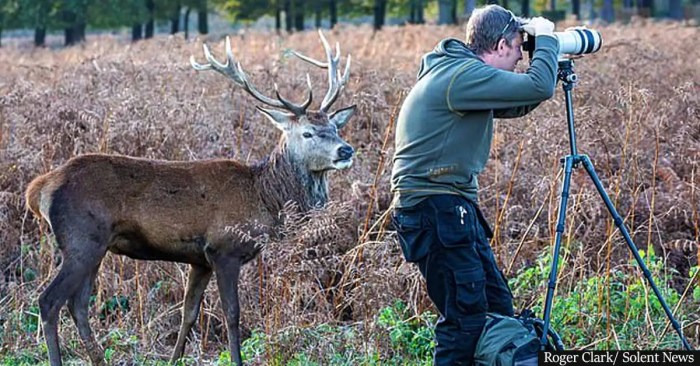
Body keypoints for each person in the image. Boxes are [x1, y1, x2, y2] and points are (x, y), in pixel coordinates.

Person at [390, 5, 559, 366]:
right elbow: (538, 86)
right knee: (466, 321)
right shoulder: (461, 76)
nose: (519, 58)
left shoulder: (459, 72)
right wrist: (545, 39)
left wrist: (550, 55)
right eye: (517, 48)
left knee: (497, 310)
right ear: (500, 45)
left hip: (447, 209)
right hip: (436, 209)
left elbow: (522, 100)